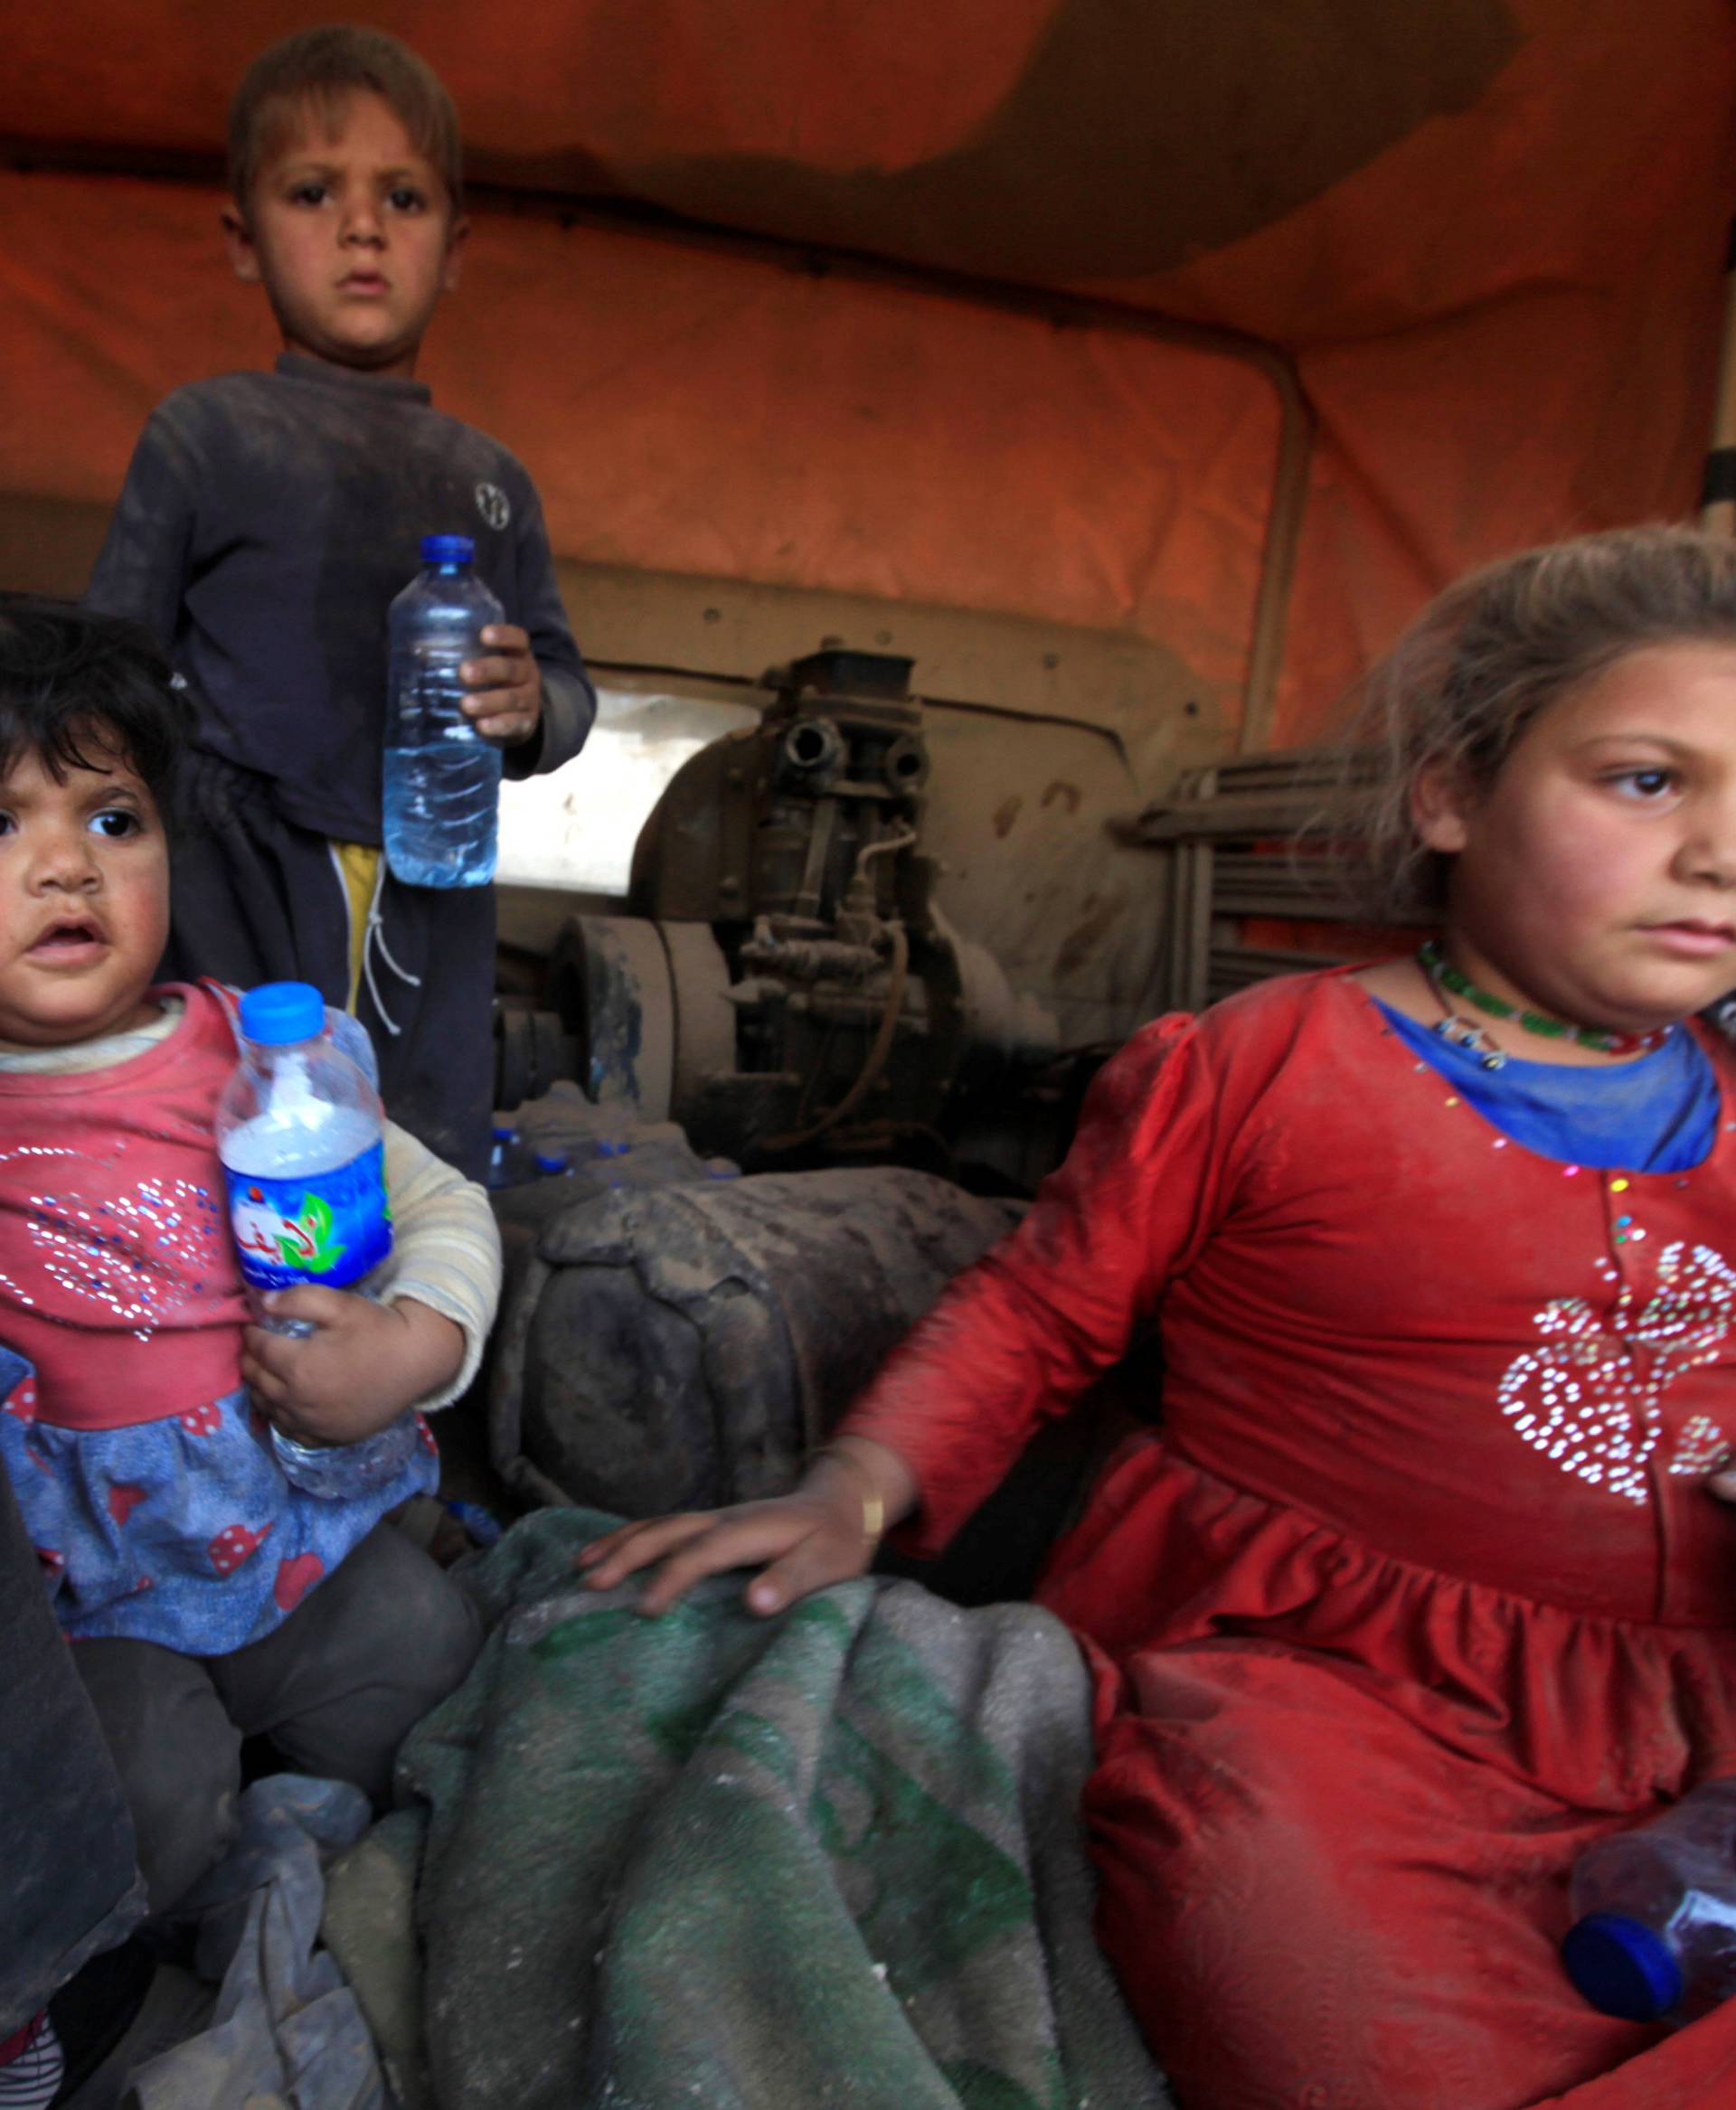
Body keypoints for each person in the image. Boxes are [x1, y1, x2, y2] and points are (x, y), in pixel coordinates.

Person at [579, 525, 1736, 2105]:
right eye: (1648, 780)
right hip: (1334, 1682)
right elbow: (1038, 1314)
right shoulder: (1266, 1064)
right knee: (1289, 1949)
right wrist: (852, 1483)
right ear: (1454, 789)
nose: (1720, 849)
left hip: (1692, 1696)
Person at [0, 597, 501, 1925]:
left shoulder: (269, 1057)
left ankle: (311, 1834)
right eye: (3, 825)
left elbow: (447, 1206)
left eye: (113, 819)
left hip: (281, 1532)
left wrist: (413, 1349)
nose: (66, 867)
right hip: (78, 1604)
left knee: (428, 1657)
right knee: (137, 1805)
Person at [84, 24, 595, 1182]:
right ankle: (234, 1357)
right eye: (314, 192)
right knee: (236, 1135)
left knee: (426, 1149)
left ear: (455, 249)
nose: (363, 228)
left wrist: (533, 707)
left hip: (435, 878)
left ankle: (412, 1352)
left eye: (404, 199)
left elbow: (566, 685)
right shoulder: (206, 434)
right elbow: (108, 675)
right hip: (235, 866)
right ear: (243, 238)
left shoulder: (492, 479)